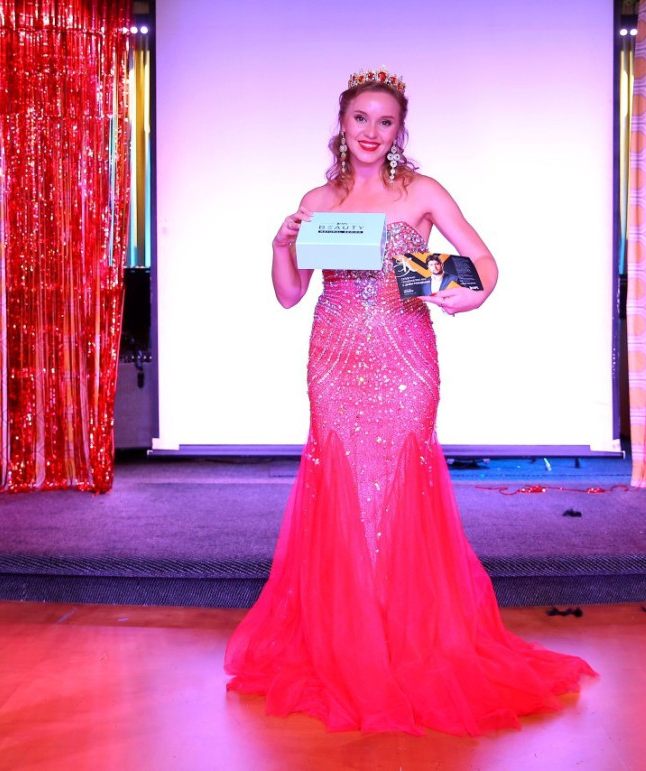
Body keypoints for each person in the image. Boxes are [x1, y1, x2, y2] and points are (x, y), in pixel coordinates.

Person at [224, 67, 596, 737]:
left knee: (400, 484)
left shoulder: (420, 191)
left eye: (385, 121)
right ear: (342, 123)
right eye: (360, 118)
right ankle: (347, 638)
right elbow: (289, 293)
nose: (371, 131)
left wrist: (470, 293)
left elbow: (482, 260)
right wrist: (279, 245)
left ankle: (406, 637)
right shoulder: (317, 199)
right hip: (334, 357)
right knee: (341, 486)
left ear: (399, 130)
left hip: (405, 355)